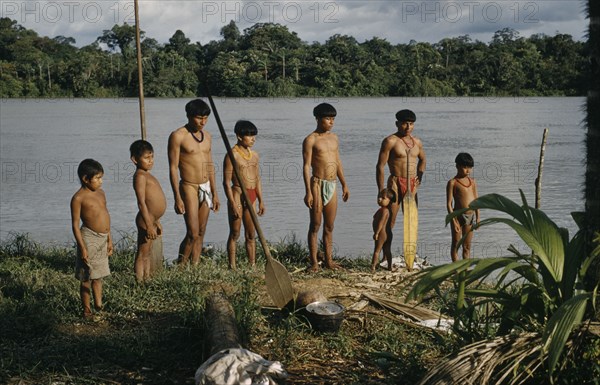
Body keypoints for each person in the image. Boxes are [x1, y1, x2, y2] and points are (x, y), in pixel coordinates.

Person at [168, 99, 220, 265]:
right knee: (192, 232)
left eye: (205, 118)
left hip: (206, 187)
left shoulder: (208, 137)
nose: (202, 122)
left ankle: (195, 266)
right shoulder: (178, 136)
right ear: (189, 116)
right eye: (199, 118)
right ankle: (182, 267)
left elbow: (210, 165)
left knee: (201, 232)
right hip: (188, 186)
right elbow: (173, 168)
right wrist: (177, 196)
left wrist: (215, 193)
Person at [302, 103, 350, 272]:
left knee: (329, 226)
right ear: (318, 118)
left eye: (333, 119)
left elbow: (338, 162)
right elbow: (306, 166)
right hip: (316, 184)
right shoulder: (310, 140)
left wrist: (344, 184)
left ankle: (329, 261)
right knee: (315, 224)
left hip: (332, 184)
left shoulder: (334, 138)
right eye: (328, 118)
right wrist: (308, 191)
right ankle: (314, 262)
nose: (331, 122)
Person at [375, 109, 426, 266]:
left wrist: (420, 178)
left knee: (411, 221)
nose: (408, 127)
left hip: (412, 184)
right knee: (389, 220)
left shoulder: (417, 142)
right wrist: (381, 189)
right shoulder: (390, 141)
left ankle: (410, 256)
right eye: (404, 123)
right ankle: (385, 255)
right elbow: (380, 166)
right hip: (395, 183)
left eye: (411, 124)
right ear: (397, 123)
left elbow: (423, 160)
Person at [70, 158, 113, 320]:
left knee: (99, 275)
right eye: (97, 178)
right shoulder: (78, 198)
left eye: (102, 177)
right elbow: (75, 225)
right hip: (88, 237)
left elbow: (106, 215)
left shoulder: (101, 193)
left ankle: (99, 306)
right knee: (86, 277)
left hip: (103, 238)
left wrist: (110, 239)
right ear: (85, 179)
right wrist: (82, 247)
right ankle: (87, 310)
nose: (101, 182)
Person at [223, 120, 265, 269]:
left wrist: (261, 200)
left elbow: (257, 178)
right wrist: (233, 203)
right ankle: (232, 266)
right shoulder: (232, 155)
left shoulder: (255, 155)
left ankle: (252, 265)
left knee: (251, 234)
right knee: (235, 232)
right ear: (239, 136)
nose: (253, 139)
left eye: (254, 136)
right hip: (237, 194)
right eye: (249, 136)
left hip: (252, 194)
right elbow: (226, 183)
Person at [130, 140, 167, 282]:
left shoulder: (147, 174)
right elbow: (142, 203)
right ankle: (139, 282)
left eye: (152, 157)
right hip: (145, 220)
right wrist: (149, 224)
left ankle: (147, 279)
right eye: (146, 158)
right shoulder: (140, 176)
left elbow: (152, 203)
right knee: (142, 253)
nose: (150, 161)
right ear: (134, 159)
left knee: (147, 253)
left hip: (151, 219)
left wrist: (156, 221)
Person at [446, 152, 479, 262]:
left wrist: (478, 217)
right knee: (456, 244)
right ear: (457, 166)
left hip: (470, 216)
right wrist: (454, 220)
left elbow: (477, 201)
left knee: (467, 246)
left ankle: (465, 270)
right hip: (457, 216)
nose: (468, 170)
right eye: (465, 167)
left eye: (470, 167)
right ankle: (456, 270)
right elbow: (449, 204)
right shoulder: (453, 182)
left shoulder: (472, 182)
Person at [371, 188, 395, 273]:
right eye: (379, 197)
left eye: (383, 198)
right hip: (388, 234)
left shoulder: (385, 211)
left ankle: (373, 267)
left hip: (382, 233)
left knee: (377, 250)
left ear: (390, 201)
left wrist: (376, 233)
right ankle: (389, 266)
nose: (379, 199)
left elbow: (381, 222)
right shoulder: (384, 210)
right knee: (387, 250)